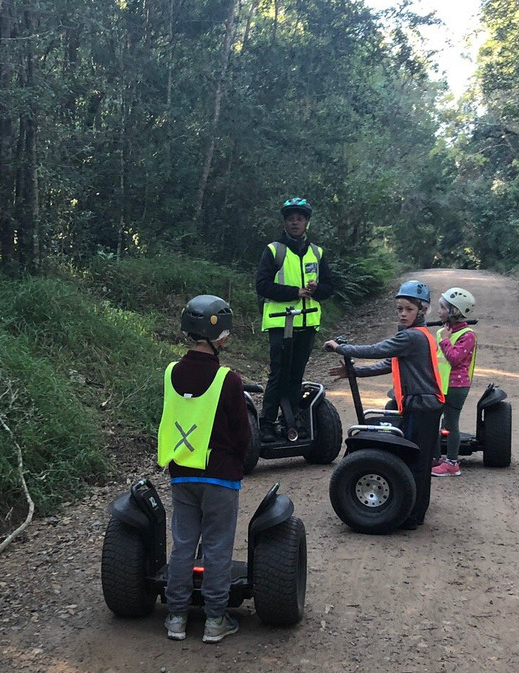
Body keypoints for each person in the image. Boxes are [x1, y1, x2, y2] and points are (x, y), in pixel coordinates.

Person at [157, 295, 251, 643]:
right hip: (220, 477)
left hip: (182, 473)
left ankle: (177, 618)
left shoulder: (171, 373)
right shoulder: (228, 379)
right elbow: (243, 435)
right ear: (220, 337)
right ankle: (214, 620)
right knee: (217, 548)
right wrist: (238, 459)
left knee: (182, 545)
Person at [324, 280, 444, 529]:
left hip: (423, 406)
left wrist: (340, 348)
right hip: (420, 405)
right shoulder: (414, 336)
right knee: (416, 460)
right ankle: (414, 511)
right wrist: (354, 372)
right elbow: (390, 363)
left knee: (417, 462)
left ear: (422, 310)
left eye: (408, 309)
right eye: (399, 308)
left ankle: (412, 516)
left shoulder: (412, 337)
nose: (402, 314)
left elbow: (377, 349)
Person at [255, 197, 335, 441]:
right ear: (285, 222)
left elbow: (330, 287)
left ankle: (293, 420)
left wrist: (316, 289)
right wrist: (294, 292)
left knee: (296, 374)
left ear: (306, 223)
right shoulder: (274, 251)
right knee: (278, 373)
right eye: (291, 219)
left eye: (300, 219)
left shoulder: (316, 253)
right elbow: (262, 285)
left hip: (307, 322)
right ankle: (266, 423)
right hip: (281, 322)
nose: (295, 223)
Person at [432, 287, 477, 478]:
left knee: (451, 424)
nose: (439, 311)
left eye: (442, 308)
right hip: (441, 385)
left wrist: (445, 340)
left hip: (457, 387)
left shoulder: (467, 335)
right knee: (432, 422)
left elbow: (454, 358)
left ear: (454, 311)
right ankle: (434, 459)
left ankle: (451, 463)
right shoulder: (443, 332)